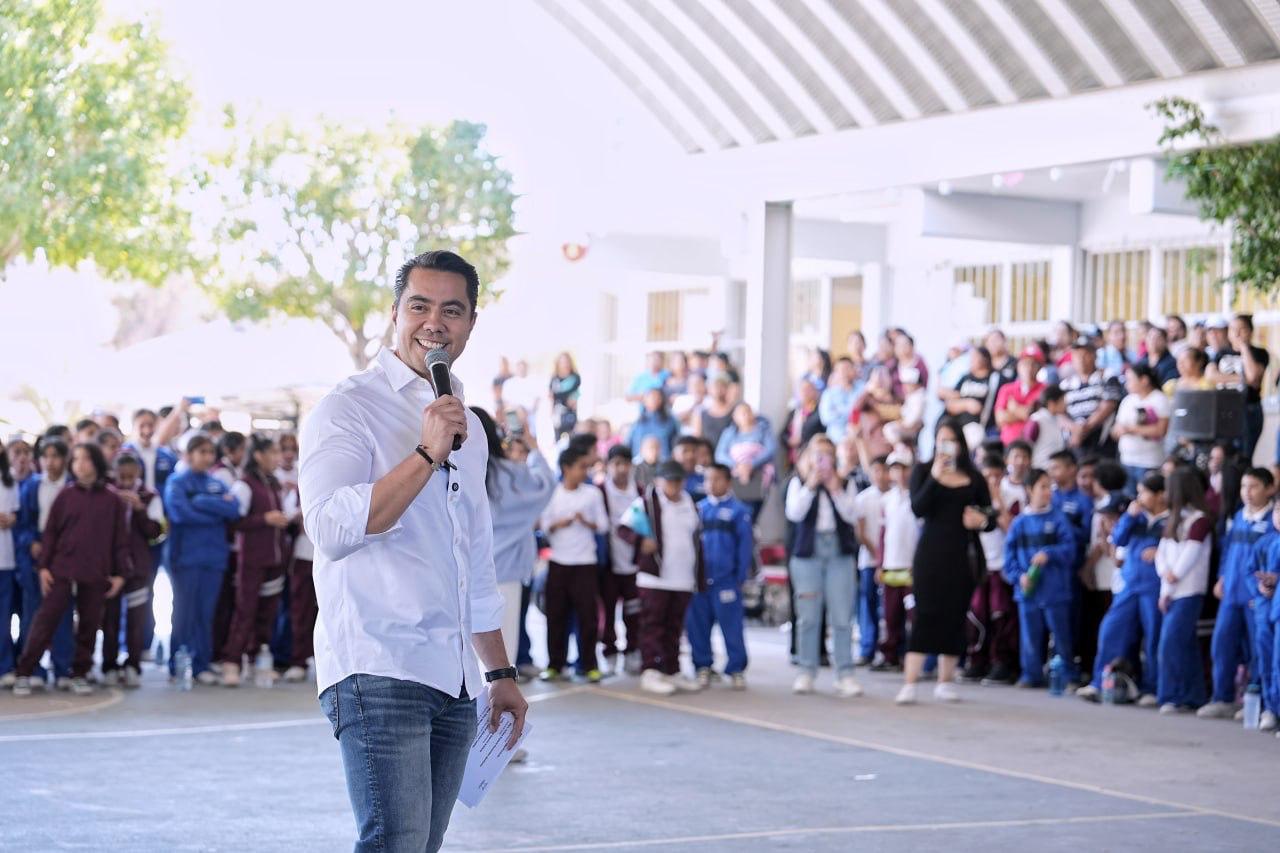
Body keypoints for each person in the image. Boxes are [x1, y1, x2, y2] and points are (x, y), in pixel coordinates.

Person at [301, 250, 525, 852]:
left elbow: (472, 558)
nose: (434, 322)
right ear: (395, 313)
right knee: (393, 844)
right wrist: (425, 454)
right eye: (419, 305)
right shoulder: (347, 408)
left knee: (420, 846)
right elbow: (329, 529)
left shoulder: (469, 429)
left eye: (452, 310)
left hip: (453, 679)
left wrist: (498, 672)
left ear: (471, 324)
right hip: (379, 662)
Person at [12, 443, 129, 697]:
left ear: (96, 463)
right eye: (75, 460)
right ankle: (25, 671)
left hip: (96, 571)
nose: (80, 464)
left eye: (86, 459)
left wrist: (120, 573)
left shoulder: (112, 500)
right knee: (45, 621)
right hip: (61, 569)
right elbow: (51, 534)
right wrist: (43, 567)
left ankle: (79, 673)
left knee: (88, 624)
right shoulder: (65, 496)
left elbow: (120, 540)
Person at [896, 420, 993, 705]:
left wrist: (982, 520)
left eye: (951, 440)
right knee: (925, 613)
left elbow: (989, 513)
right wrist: (936, 477)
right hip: (930, 553)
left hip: (963, 553)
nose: (946, 446)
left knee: (954, 614)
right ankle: (911, 681)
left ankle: (945, 679)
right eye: (941, 440)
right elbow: (918, 507)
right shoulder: (924, 470)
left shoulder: (974, 478)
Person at [474, 408, 555, 675]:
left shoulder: (450, 469)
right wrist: (531, 446)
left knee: (471, 660)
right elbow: (545, 485)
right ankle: (496, 717)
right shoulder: (507, 474)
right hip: (504, 573)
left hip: (463, 573)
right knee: (500, 661)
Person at [1078, 475, 1168, 705]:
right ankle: (1100, 682)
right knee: (1110, 630)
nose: (1139, 498)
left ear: (1160, 495)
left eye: (1144, 493)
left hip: (1154, 586)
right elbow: (1118, 539)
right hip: (1129, 584)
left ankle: (1152, 687)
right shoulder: (1136, 518)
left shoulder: (1170, 520)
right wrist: (1129, 516)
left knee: (1154, 637)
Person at [784, 435, 862, 698]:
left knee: (842, 616)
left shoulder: (846, 483)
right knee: (808, 615)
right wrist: (812, 484)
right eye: (818, 456)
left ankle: (845, 673)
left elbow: (852, 515)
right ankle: (806, 670)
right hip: (808, 553)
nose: (823, 462)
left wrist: (835, 488)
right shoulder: (798, 482)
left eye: (828, 456)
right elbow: (793, 513)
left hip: (839, 553)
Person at [620, 460, 705, 696]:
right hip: (655, 578)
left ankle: (672, 669)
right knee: (653, 624)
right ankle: (651, 669)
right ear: (659, 480)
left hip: (683, 578)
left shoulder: (690, 503)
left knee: (674, 626)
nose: (674, 486)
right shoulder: (647, 503)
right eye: (669, 481)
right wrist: (640, 542)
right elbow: (623, 529)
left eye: (678, 481)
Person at [1198, 466, 1275, 720]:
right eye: (1244, 487)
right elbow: (1228, 549)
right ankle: (1222, 697)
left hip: (1257, 597)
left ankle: (1259, 701)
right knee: (1222, 644)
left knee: (1257, 650)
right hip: (1231, 593)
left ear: (1270, 489)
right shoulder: (1239, 516)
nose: (1247, 493)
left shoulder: (1273, 522)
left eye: (1253, 487)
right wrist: (1222, 576)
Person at [165, 435, 241, 685]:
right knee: (184, 613)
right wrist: (214, 512)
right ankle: (178, 663)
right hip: (186, 559)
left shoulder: (215, 483)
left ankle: (201, 664)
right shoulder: (177, 482)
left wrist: (201, 502)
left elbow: (234, 508)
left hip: (214, 558)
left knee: (206, 613)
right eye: (202, 452)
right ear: (189, 455)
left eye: (211, 452)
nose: (207, 457)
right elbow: (180, 513)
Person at [219, 434, 291, 686]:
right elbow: (234, 522)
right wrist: (264, 519)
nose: (277, 458)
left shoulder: (274, 483)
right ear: (258, 455)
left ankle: (255, 659)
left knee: (267, 612)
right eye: (272, 452)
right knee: (244, 611)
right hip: (251, 559)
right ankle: (232, 662)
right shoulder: (244, 485)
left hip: (275, 558)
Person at [1004, 467, 1080, 689]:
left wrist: (1050, 553)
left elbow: (1070, 550)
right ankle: (1031, 674)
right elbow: (1009, 559)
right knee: (1029, 635)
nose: (1048, 492)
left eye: (1050, 487)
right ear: (1029, 489)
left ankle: (1068, 675)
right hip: (1028, 591)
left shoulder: (1059, 519)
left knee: (1061, 635)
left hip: (1055, 590)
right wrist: (1019, 577)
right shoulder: (1019, 523)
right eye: (1043, 487)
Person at [538, 446, 609, 684]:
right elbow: (543, 525)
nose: (584, 472)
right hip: (559, 561)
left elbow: (604, 525)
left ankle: (589, 664)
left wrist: (586, 522)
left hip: (585, 562)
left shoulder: (592, 494)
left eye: (587, 467)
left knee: (588, 617)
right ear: (566, 468)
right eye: (581, 467)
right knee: (556, 616)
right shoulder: (553, 493)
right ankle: (555, 665)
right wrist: (560, 523)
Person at [13, 438, 74, 687]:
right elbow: (22, 523)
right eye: (45, 456)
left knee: (63, 613)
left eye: (56, 456)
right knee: (33, 614)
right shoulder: (32, 486)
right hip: (36, 554)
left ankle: (62, 669)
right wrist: (31, 543)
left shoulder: (71, 487)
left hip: (66, 555)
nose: (50, 462)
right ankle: (34, 668)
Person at [687, 463, 753, 689]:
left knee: (732, 626)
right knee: (697, 625)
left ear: (727, 482)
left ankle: (736, 669)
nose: (711, 484)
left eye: (716, 479)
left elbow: (745, 548)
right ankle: (702, 666)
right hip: (700, 582)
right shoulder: (697, 509)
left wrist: (739, 577)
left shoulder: (739, 511)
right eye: (707, 479)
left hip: (726, 581)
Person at [100, 453, 163, 687]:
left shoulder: (150, 496)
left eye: (131, 477)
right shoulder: (106, 494)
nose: (126, 482)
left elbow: (156, 532)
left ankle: (133, 664)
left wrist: (139, 508)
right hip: (111, 567)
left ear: (139, 474)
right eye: (121, 477)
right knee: (110, 618)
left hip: (138, 567)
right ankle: (109, 665)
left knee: (137, 619)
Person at [1155, 467, 1214, 715]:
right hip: (1172, 590)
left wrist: (1174, 576)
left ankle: (1172, 695)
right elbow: (1162, 553)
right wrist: (1165, 586)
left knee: (1170, 643)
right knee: (1185, 644)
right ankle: (1194, 694)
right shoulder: (1174, 518)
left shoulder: (1199, 520)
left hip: (1189, 590)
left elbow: (1191, 554)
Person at [964, 453, 1019, 684]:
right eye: (988, 476)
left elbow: (1012, 530)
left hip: (1002, 567)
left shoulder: (1013, 497)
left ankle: (1001, 663)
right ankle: (977, 661)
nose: (993, 481)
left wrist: (998, 501)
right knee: (977, 615)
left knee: (1000, 617)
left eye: (997, 476)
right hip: (979, 566)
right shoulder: (971, 499)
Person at [598, 445, 642, 675]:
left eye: (626, 464)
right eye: (616, 464)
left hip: (635, 565)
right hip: (608, 565)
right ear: (608, 466)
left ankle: (633, 650)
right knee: (607, 611)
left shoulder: (641, 492)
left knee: (634, 612)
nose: (622, 469)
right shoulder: (599, 491)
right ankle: (610, 652)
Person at [874, 452, 918, 672]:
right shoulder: (887, 500)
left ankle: (913, 657)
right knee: (890, 615)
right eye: (895, 469)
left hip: (911, 567)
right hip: (891, 566)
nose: (899, 474)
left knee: (913, 613)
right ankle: (890, 655)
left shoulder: (917, 498)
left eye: (904, 468)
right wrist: (879, 563)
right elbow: (882, 534)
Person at [1207, 313, 1270, 461]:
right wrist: (1243, 379)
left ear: (1250, 331)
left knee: (1243, 456)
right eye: (1233, 329)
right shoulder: (1221, 353)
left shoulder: (1259, 353)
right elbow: (1211, 376)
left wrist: (1243, 347)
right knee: (1223, 455)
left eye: (1242, 329)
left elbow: (1254, 377)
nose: (1236, 333)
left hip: (1248, 409)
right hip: (1224, 410)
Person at [853, 456, 890, 667]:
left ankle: (891, 650)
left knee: (889, 608)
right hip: (869, 560)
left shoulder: (898, 497)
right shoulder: (863, 498)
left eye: (885, 471)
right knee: (868, 604)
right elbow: (860, 532)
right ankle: (867, 648)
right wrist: (877, 554)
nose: (881, 476)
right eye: (876, 471)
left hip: (893, 561)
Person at [1059, 337, 1124, 455]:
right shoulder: (1066, 384)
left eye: (1086, 354)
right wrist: (1074, 429)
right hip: (1073, 442)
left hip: (1101, 443)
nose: (1081, 359)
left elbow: (1108, 406)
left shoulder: (1108, 376)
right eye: (1077, 355)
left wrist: (1084, 429)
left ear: (1094, 355)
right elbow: (1059, 412)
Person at [1112, 363, 1170, 494]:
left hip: (1150, 461)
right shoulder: (1127, 400)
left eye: (1130, 379)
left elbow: (1161, 430)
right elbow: (1116, 429)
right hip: (1126, 459)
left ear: (1144, 380)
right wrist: (1118, 430)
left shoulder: (1159, 399)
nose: (1127, 384)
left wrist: (1130, 429)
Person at [715, 402, 777, 520]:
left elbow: (771, 450)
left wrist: (751, 465)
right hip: (735, 476)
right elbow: (720, 454)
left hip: (759, 476)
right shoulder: (729, 433)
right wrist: (738, 465)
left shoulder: (763, 429)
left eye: (748, 411)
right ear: (734, 417)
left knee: (752, 513)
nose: (746, 415)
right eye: (742, 413)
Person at [946, 345, 999, 449]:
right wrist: (967, 404)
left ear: (984, 358)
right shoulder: (965, 378)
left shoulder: (995, 378)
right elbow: (950, 404)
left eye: (975, 357)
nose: (971, 360)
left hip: (980, 426)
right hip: (957, 424)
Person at [994, 347, 1045, 446]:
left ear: (1039, 368)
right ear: (1018, 365)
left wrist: (1014, 408)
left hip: (1035, 443)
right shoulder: (1006, 388)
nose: (1029, 368)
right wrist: (1024, 412)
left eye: (1033, 364)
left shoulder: (1045, 389)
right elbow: (1000, 418)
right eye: (1025, 363)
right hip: (1008, 444)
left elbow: (1035, 417)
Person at [0, 445, 17, 685]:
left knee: (3, 617)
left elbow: (17, 514)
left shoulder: (9, 480)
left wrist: (10, 519)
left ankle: (5, 666)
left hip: (5, 559)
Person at [783, 378, 825, 468]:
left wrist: (801, 439)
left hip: (812, 457)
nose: (804, 392)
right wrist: (789, 441)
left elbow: (821, 432)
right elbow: (783, 434)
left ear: (815, 392)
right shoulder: (794, 411)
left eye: (808, 389)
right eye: (801, 390)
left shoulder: (820, 411)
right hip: (793, 459)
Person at [1024, 384, 1069, 468]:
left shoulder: (1058, 420)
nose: (1065, 405)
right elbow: (1027, 448)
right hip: (1039, 469)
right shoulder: (1036, 421)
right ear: (1051, 403)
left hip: (1056, 470)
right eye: (1062, 401)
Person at [629, 389, 680, 462]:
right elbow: (629, 443)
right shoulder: (638, 423)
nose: (654, 399)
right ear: (644, 400)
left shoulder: (671, 421)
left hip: (664, 463)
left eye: (657, 397)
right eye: (651, 397)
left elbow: (676, 443)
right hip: (640, 464)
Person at [819, 358, 860, 444]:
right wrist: (850, 413)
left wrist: (838, 411)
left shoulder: (862, 388)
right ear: (835, 372)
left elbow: (861, 413)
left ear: (854, 370)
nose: (844, 372)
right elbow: (825, 418)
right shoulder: (828, 394)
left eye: (847, 368)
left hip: (858, 440)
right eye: (841, 369)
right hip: (835, 441)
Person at [692, 374, 736, 451]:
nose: (718, 389)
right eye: (715, 386)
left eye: (722, 386)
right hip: (708, 455)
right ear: (708, 389)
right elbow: (697, 437)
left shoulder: (735, 411)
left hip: (729, 454)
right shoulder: (701, 413)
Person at [549, 352, 581, 441]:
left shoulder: (575, 377)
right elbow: (551, 395)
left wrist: (557, 395)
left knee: (571, 436)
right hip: (557, 412)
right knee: (557, 437)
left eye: (566, 362)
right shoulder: (554, 378)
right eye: (562, 362)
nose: (564, 364)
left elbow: (570, 397)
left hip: (569, 412)